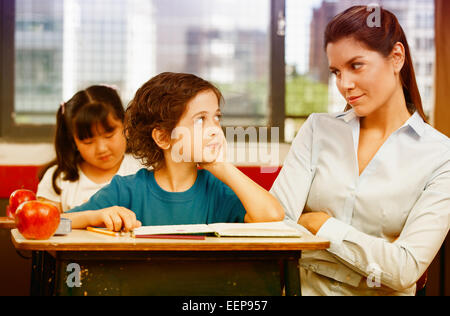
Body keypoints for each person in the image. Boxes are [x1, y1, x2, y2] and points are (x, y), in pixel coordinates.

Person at [270, 6, 449, 295]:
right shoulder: (318, 130)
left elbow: (404, 269)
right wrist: (374, 258)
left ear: (397, 57)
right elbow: (277, 232)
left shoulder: (441, 155)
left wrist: (321, 225)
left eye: (356, 66)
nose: (344, 85)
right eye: (336, 72)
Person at [63, 72, 284, 231]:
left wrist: (221, 166)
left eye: (216, 117)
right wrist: (96, 215)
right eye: (200, 120)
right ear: (163, 137)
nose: (215, 129)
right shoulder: (125, 190)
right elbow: (59, 223)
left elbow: (272, 217)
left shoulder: (218, 190)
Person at [37, 85, 144, 213]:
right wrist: (90, 217)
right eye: (88, 141)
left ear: (125, 124)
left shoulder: (145, 168)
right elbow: (46, 225)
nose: (101, 149)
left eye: (109, 135)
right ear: (73, 140)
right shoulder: (58, 179)